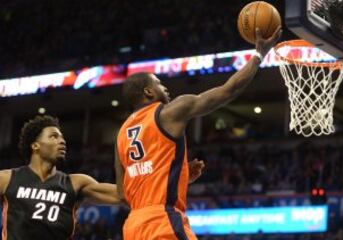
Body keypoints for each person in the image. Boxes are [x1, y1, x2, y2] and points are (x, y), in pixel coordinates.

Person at [115, 26, 282, 240]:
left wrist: (180, 176)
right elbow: (228, 91)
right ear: (147, 92)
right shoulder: (169, 111)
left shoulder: (121, 135)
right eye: (159, 83)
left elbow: (122, 194)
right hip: (162, 221)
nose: (165, 88)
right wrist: (259, 54)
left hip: (133, 227)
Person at [0, 115, 123, 240]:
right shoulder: (6, 179)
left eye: (62, 137)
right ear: (35, 145)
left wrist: (122, 155)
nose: (62, 141)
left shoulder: (76, 183)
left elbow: (123, 195)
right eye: (54, 136)